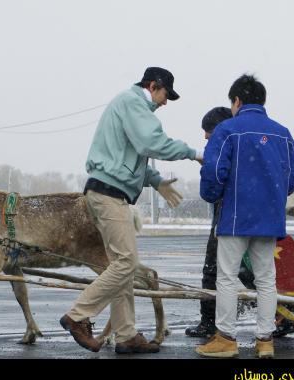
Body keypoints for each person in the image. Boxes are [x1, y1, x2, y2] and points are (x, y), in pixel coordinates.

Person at [59, 67, 203, 354]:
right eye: (165, 95)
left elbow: (130, 155)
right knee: (127, 263)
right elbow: (149, 143)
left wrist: (156, 180)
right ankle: (77, 316)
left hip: (108, 191)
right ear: (153, 85)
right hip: (109, 194)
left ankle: (126, 335)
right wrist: (194, 153)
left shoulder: (130, 106)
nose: (165, 103)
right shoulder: (133, 102)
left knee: (121, 266)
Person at [196, 74, 294, 358]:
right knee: (266, 278)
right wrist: (273, 193)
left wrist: (212, 194)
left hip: (235, 217)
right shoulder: (282, 132)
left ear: (237, 101)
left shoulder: (228, 130)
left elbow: (214, 171)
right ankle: (265, 341)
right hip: (269, 218)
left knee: (227, 277)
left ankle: (226, 339)